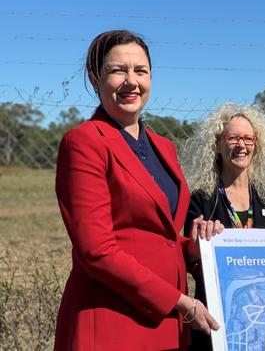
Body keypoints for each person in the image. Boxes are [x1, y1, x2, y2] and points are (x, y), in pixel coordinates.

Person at [54, 30, 221, 350]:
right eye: (118, 70)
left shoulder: (164, 147)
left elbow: (160, 236)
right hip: (111, 325)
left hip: (167, 327)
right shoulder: (85, 142)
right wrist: (180, 302)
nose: (131, 81)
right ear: (95, 77)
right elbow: (97, 250)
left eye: (140, 71)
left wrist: (200, 248)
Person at [181, 102, 265, 350]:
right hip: (218, 312)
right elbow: (192, 264)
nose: (242, 145)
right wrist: (197, 249)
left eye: (249, 138)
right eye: (233, 138)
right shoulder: (201, 198)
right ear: (218, 144)